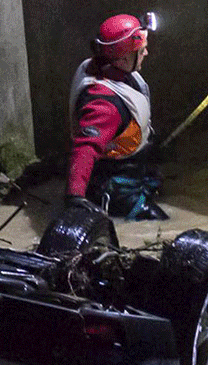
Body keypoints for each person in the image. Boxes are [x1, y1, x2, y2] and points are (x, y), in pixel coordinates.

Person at [66, 12, 168, 220]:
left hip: (126, 167)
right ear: (123, 59)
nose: (146, 53)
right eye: (141, 51)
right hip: (114, 188)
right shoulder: (104, 105)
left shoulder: (100, 67)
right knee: (163, 222)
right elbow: (85, 149)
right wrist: (75, 196)